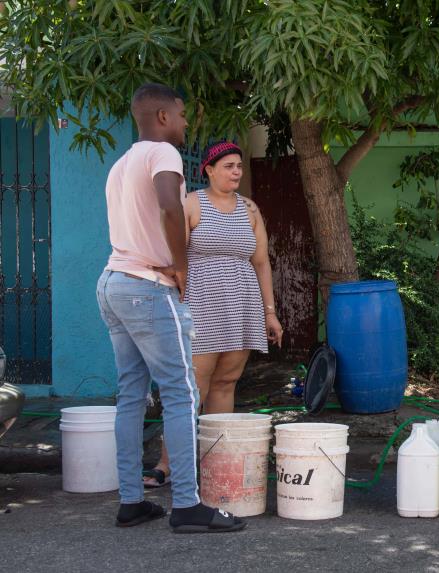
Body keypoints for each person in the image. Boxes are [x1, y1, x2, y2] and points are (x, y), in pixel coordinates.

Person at [96, 83, 245, 533]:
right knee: (183, 394)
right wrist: (181, 268)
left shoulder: (121, 164)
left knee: (130, 395)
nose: (185, 123)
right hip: (148, 287)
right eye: (181, 115)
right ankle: (186, 506)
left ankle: (131, 502)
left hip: (113, 283)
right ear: (162, 117)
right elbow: (168, 207)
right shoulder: (163, 155)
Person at [142, 140, 283, 487]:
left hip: (243, 304)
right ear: (209, 170)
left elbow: (261, 262)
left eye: (239, 166)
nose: (236, 172)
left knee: (226, 382)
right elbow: (175, 256)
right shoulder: (192, 204)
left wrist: (270, 312)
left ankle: (212, 461)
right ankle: (167, 465)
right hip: (200, 304)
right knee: (193, 388)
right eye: (228, 166)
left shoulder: (250, 209)